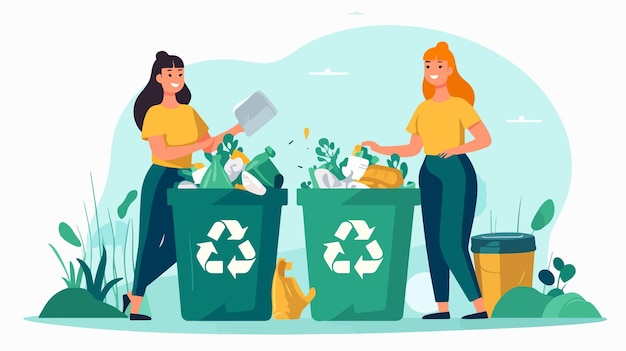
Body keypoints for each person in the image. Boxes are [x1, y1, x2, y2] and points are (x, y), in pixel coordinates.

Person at [362, 41, 492, 319]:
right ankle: (442, 309)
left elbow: (484, 139)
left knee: (451, 242)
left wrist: (456, 149)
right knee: (433, 240)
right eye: (428, 66)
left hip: (455, 169)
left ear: (450, 70)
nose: (432, 71)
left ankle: (479, 308)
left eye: (439, 65)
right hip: (429, 170)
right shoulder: (423, 108)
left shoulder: (460, 105)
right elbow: (412, 149)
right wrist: (381, 148)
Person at [122, 51, 244, 320]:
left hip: (185, 180)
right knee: (150, 241)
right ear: (159, 79)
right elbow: (162, 151)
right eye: (170, 74)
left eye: (180, 73)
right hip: (160, 178)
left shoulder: (190, 112)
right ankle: (136, 308)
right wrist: (200, 145)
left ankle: (133, 293)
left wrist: (235, 129)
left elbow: (209, 144)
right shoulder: (154, 114)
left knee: (180, 244)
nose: (176, 79)